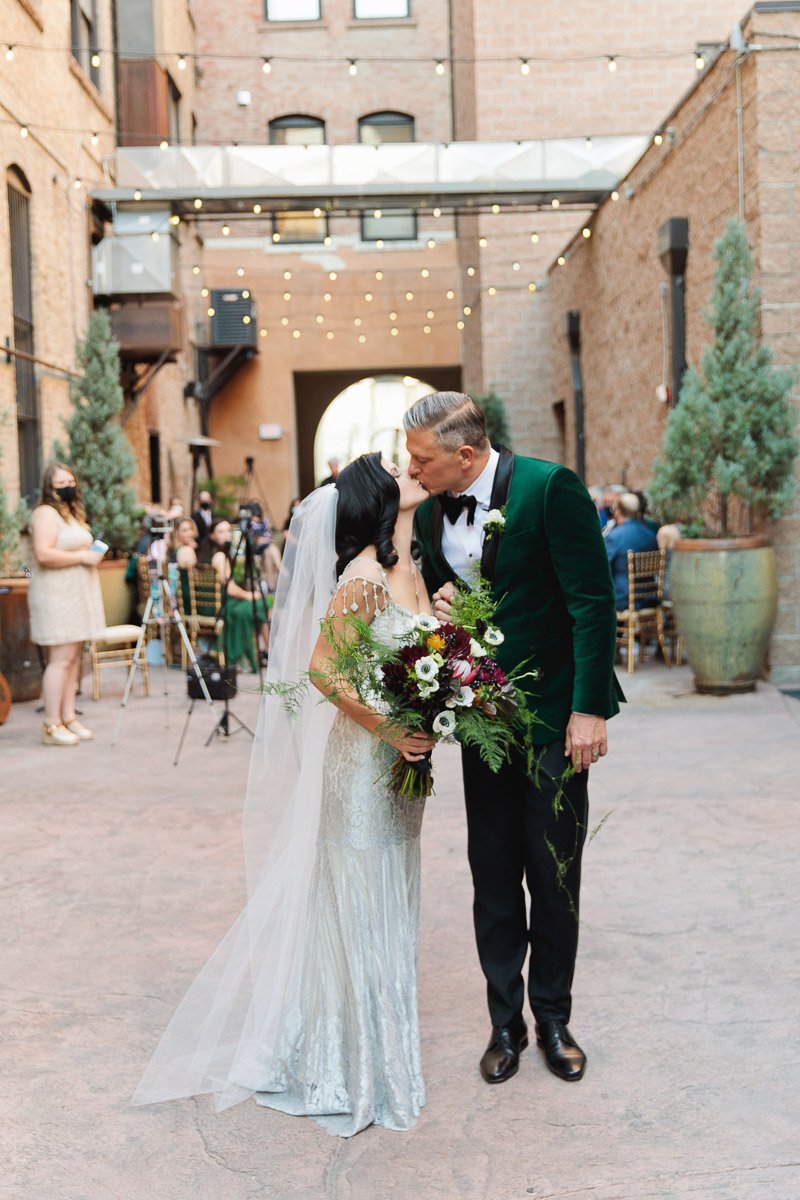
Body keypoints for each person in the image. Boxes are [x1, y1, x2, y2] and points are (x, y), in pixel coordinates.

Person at [132, 454, 434, 1136]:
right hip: (361, 767)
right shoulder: (361, 578)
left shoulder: (408, 569)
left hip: (402, 771)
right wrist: (392, 727)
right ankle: (347, 1063)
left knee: (390, 888)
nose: (407, 468)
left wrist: (443, 702)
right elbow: (326, 673)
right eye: (394, 468)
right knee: (357, 897)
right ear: (377, 499)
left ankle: (380, 1046)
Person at [406, 391, 622, 1087]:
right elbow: (451, 596)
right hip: (481, 723)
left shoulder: (549, 489)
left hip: (555, 719)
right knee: (493, 874)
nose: (413, 473)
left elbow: (592, 603)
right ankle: (506, 1023)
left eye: (423, 460)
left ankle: (554, 1018)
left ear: (465, 456)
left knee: (554, 875)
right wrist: (443, 609)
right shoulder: (432, 510)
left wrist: (589, 709)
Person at [27, 463, 106, 746]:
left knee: (72, 660)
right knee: (59, 661)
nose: (68, 485)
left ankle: (68, 717)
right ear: (50, 486)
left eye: (71, 480)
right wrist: (82, 558)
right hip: (55, 596)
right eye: (62, 482)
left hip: (76, 596)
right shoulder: (45, 513)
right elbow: (43, 554)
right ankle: (50, 723)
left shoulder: (72, 514)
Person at [202, 518, 270, 671]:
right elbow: (229, 589)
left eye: (228, 531)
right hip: (222, 604)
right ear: (212, 535)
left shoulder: (222, 554)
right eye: (221, 531)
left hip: (224, 601)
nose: (226, 535)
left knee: (263, 603)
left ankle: (264, 650)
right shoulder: (219, 556)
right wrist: (249, 595)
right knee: (259, 604)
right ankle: (260, 652)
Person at [604, 492, 660, 611]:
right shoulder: (650, 535)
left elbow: (603, 569)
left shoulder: (614, 537)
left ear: (618, 511)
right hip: (650, 596)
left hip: (623, 598)